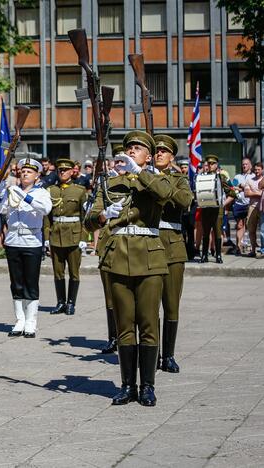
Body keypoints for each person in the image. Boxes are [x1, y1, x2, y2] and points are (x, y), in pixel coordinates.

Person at [85, 131, 172, 407]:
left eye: (139, 148)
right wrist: (102, 216)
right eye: (129, 147)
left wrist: (140, 173)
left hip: (149, 259)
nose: (132, 150)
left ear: (149, 155)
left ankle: (147, 385)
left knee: (148, 324)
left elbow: (166, 194)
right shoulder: (110, 183)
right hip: (118, 258)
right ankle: (126, 385)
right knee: (124, 326)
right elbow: (89, 221)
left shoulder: (156, 179)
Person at [0, 158, 52, 337]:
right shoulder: (11, 192)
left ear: (37, 175)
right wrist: (0, 195)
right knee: (16, 283)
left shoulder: (41, 192)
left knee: (30, 281)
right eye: (23, 171)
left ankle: (31, 321)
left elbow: (45, 209)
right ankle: (20, 319)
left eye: (29, 172)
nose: (25, 174)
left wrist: (24, 195)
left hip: (32, 240)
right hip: (13, 240)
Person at [153, 135, 193, 373]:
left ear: (171, 157)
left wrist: (161, 183)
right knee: (149, 306)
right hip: (148, 245)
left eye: (163, 151)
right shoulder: (143, 178)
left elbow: (185, 201)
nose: (159, 153)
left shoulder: (179, 179)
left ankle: (168, 355)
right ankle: (152, 354)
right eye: (156, 150)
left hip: (172, 247)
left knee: (171, 303)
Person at [45, 158, 88, 316]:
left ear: (72, 171)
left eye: (65, 170)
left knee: (74, 272)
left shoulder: (79, 190)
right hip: (56, 234)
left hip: (74, 234)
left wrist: (84, 238)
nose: (62, 172)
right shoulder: (51, 190)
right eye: (60, 170)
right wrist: (46, 237)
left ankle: (71, 303)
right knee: (58, 272)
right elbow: (46, 217)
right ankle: (60, 302)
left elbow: (85, 217)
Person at [199, 155, 235, 263]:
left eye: (212, 163)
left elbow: (232, 193)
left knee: (218, 232)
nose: (210, 166)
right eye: (208, 163)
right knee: (205, 233)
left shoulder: (221, 177)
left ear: (216, 165)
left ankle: (218, 255)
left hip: (217, 209)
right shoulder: (202, 177)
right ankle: (204, 255)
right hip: (205, 209)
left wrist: (223, 204)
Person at [244, 163, 262, 257]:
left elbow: (251, 192)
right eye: (255, 169)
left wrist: (253, 192)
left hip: (263, 207)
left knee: (263, 230)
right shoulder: (249, 180)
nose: (257, 171)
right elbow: (247, 194)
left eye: (259, 169)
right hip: (252, 207)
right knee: (251, 229)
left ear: (262, 170)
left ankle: (262, 251)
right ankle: (253, 250)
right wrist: (259, 193)